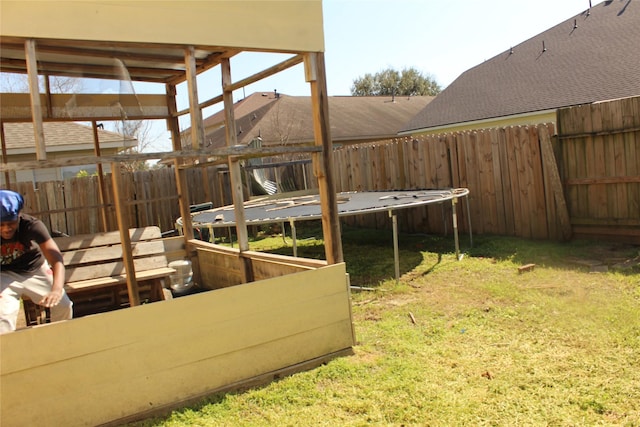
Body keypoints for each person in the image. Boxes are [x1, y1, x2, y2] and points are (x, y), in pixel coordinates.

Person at [0, 190, 73, 333]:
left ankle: (59, 342)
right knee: (3, 317)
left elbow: (56, 259)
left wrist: (57, 290)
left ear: (18, 216)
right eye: (1, 224)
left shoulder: (32, 225)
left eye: (11, 223)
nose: (6, 229)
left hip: (34, 270)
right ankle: (6, 353)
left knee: (64, 305)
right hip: (3, 275)